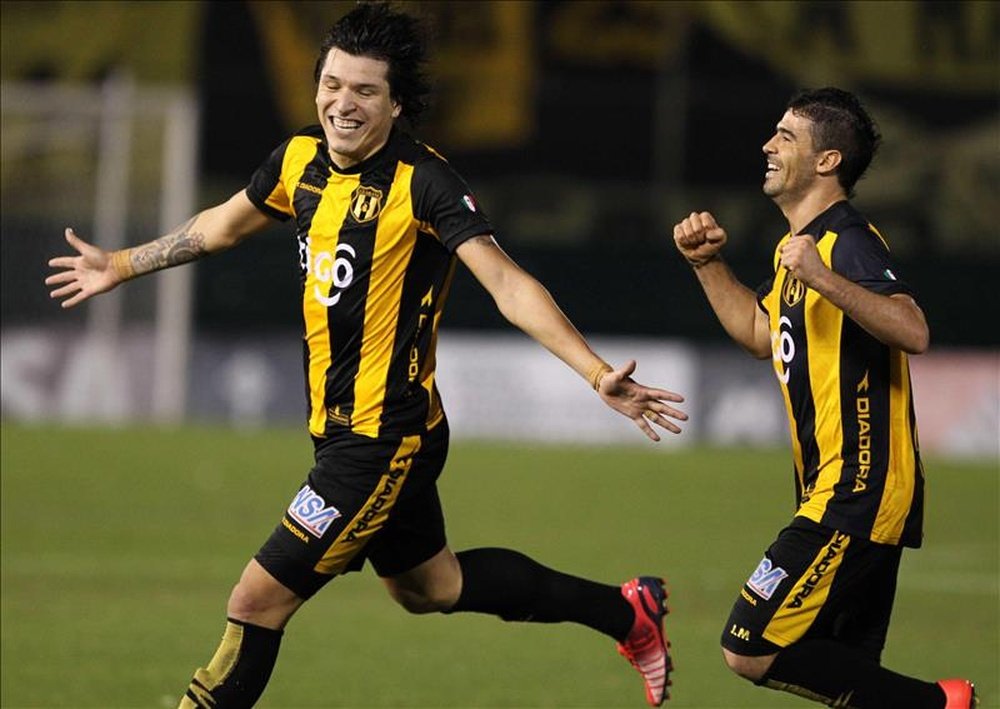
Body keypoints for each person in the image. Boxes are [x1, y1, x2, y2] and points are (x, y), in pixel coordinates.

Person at [46, 3, 684, 707]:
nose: (341, 104)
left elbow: (507, 283)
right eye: (332, 83)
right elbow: (221, 226)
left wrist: (596, 372)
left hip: (383, 440)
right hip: (342, 431)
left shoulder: (424, 182)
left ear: (396, 103)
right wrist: (121, 264)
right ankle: (627, 611)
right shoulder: (298, 161)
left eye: (364, 91)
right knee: (431, 588)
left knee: (256, 599)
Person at [672, 87, 975, 708]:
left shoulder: (844, 241)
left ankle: (944, 704)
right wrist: (708, 265)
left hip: (857, 490)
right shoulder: (801, 252)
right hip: (839, 488)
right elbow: (761, 334)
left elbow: (913, 328)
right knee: (851, 676)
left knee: (747, 644)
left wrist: (823, 277)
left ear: (827, 161)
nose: (768, 144)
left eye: (785, 135)